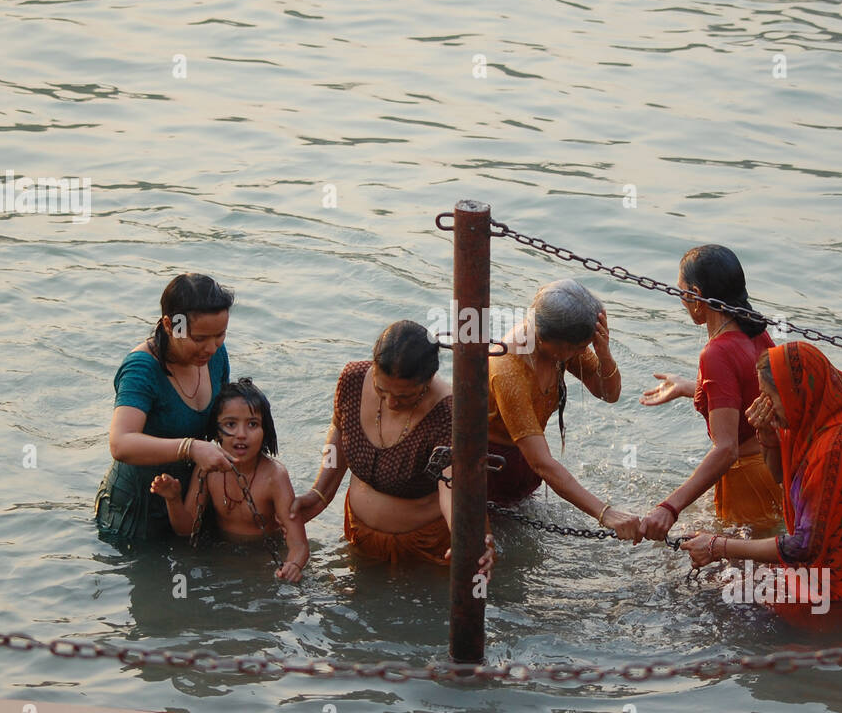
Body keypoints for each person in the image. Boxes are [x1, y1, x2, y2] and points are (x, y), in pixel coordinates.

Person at [682, 341, 842, 604]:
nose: (765, 405)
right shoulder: (815, 413)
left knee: (725, 603)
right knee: (726, 586)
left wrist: (718, 546)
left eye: (770, 398)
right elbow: (780, 478)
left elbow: (803, 545)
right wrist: (767, 434)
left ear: (792, 394)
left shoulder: (837, 449)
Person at [290, 321, 495, 572]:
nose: (391, 403)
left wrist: (466, 540)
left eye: (405, 397)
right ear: (374, 368)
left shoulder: (450, 414)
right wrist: (318, 493)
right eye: (381, 390)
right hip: (358, 534)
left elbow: (451, 488)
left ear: (429, 380)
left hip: (428, 546)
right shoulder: (353, 379)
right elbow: (338, 438)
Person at [638, 245, 781, 539]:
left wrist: (669, 507)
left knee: (734, 574)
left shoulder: (716, 352)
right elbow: (746, 398)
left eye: (681, 291)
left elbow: (727, 449)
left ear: (696, 295)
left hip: (747, 481)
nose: (680, 299)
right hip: (776, 469)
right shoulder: (757, 332)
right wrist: (688, 388)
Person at [487, 279, 640, 540]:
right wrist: (605, 513)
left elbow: (608, 394)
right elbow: (542, 463)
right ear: (545, 339)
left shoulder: (564, 348)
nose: (583, 352)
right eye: (580, 348)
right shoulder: (508, 370)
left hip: (525, 471)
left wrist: (604, 354)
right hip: (490, 474)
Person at [95, 273, 238, 542]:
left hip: (191, 502)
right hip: (136, 513)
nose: (211, 347)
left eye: (220, 335)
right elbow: (120, 444)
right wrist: (191, 448)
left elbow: (225, 420)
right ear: (171, 326)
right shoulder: (142, 369)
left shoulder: (216, 354)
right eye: (199, 339)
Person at [152, 378, 309, 582]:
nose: (241, 435)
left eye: (252, 424)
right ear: (217, 431)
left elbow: (299, 544)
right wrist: (173, 499)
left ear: (265, 431)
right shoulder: (207, 469)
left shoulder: (274, 477)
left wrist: (293, 565)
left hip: (264, 559)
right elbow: (186, 530)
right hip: (223, 557)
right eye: (230, 424)